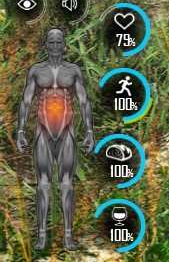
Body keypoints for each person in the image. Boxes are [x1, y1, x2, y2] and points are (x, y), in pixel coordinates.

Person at [16, 28, 95, 253]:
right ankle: (41, 236)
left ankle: (68, 236)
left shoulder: (73, 70)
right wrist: (21, 130)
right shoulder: (36, 70)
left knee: (67, 184)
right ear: (46, 44)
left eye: (58, 42)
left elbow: (83, 101)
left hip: (66, 131)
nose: (54, 46)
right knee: (43, 184)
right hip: (43, 130)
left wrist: (89, 131)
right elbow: (26, 101)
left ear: (64, 45)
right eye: (51, 42)